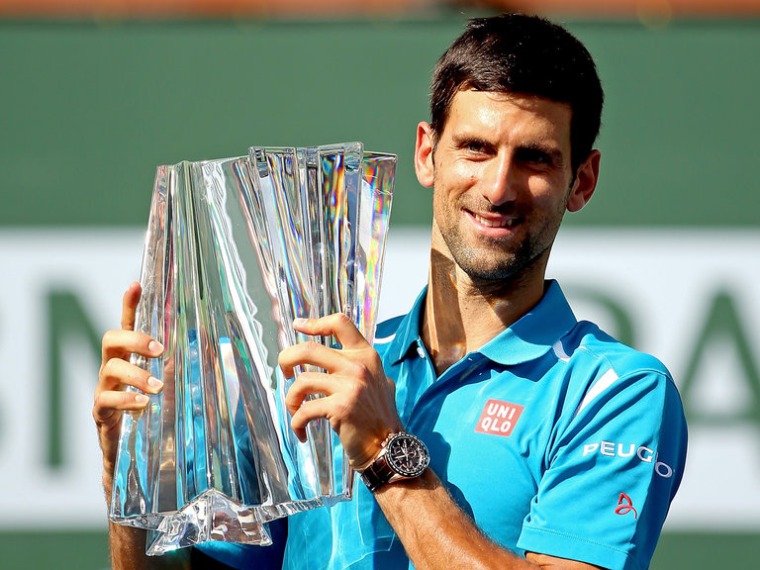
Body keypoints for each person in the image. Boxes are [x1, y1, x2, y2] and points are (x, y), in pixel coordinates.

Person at [95, 13, 687, 570]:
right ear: (428, 152)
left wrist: (384, 447)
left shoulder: (618, 392)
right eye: (475, 148)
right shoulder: (321, 365)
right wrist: (132, 475)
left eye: (533, 158)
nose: (499, 186)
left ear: (581, 181)